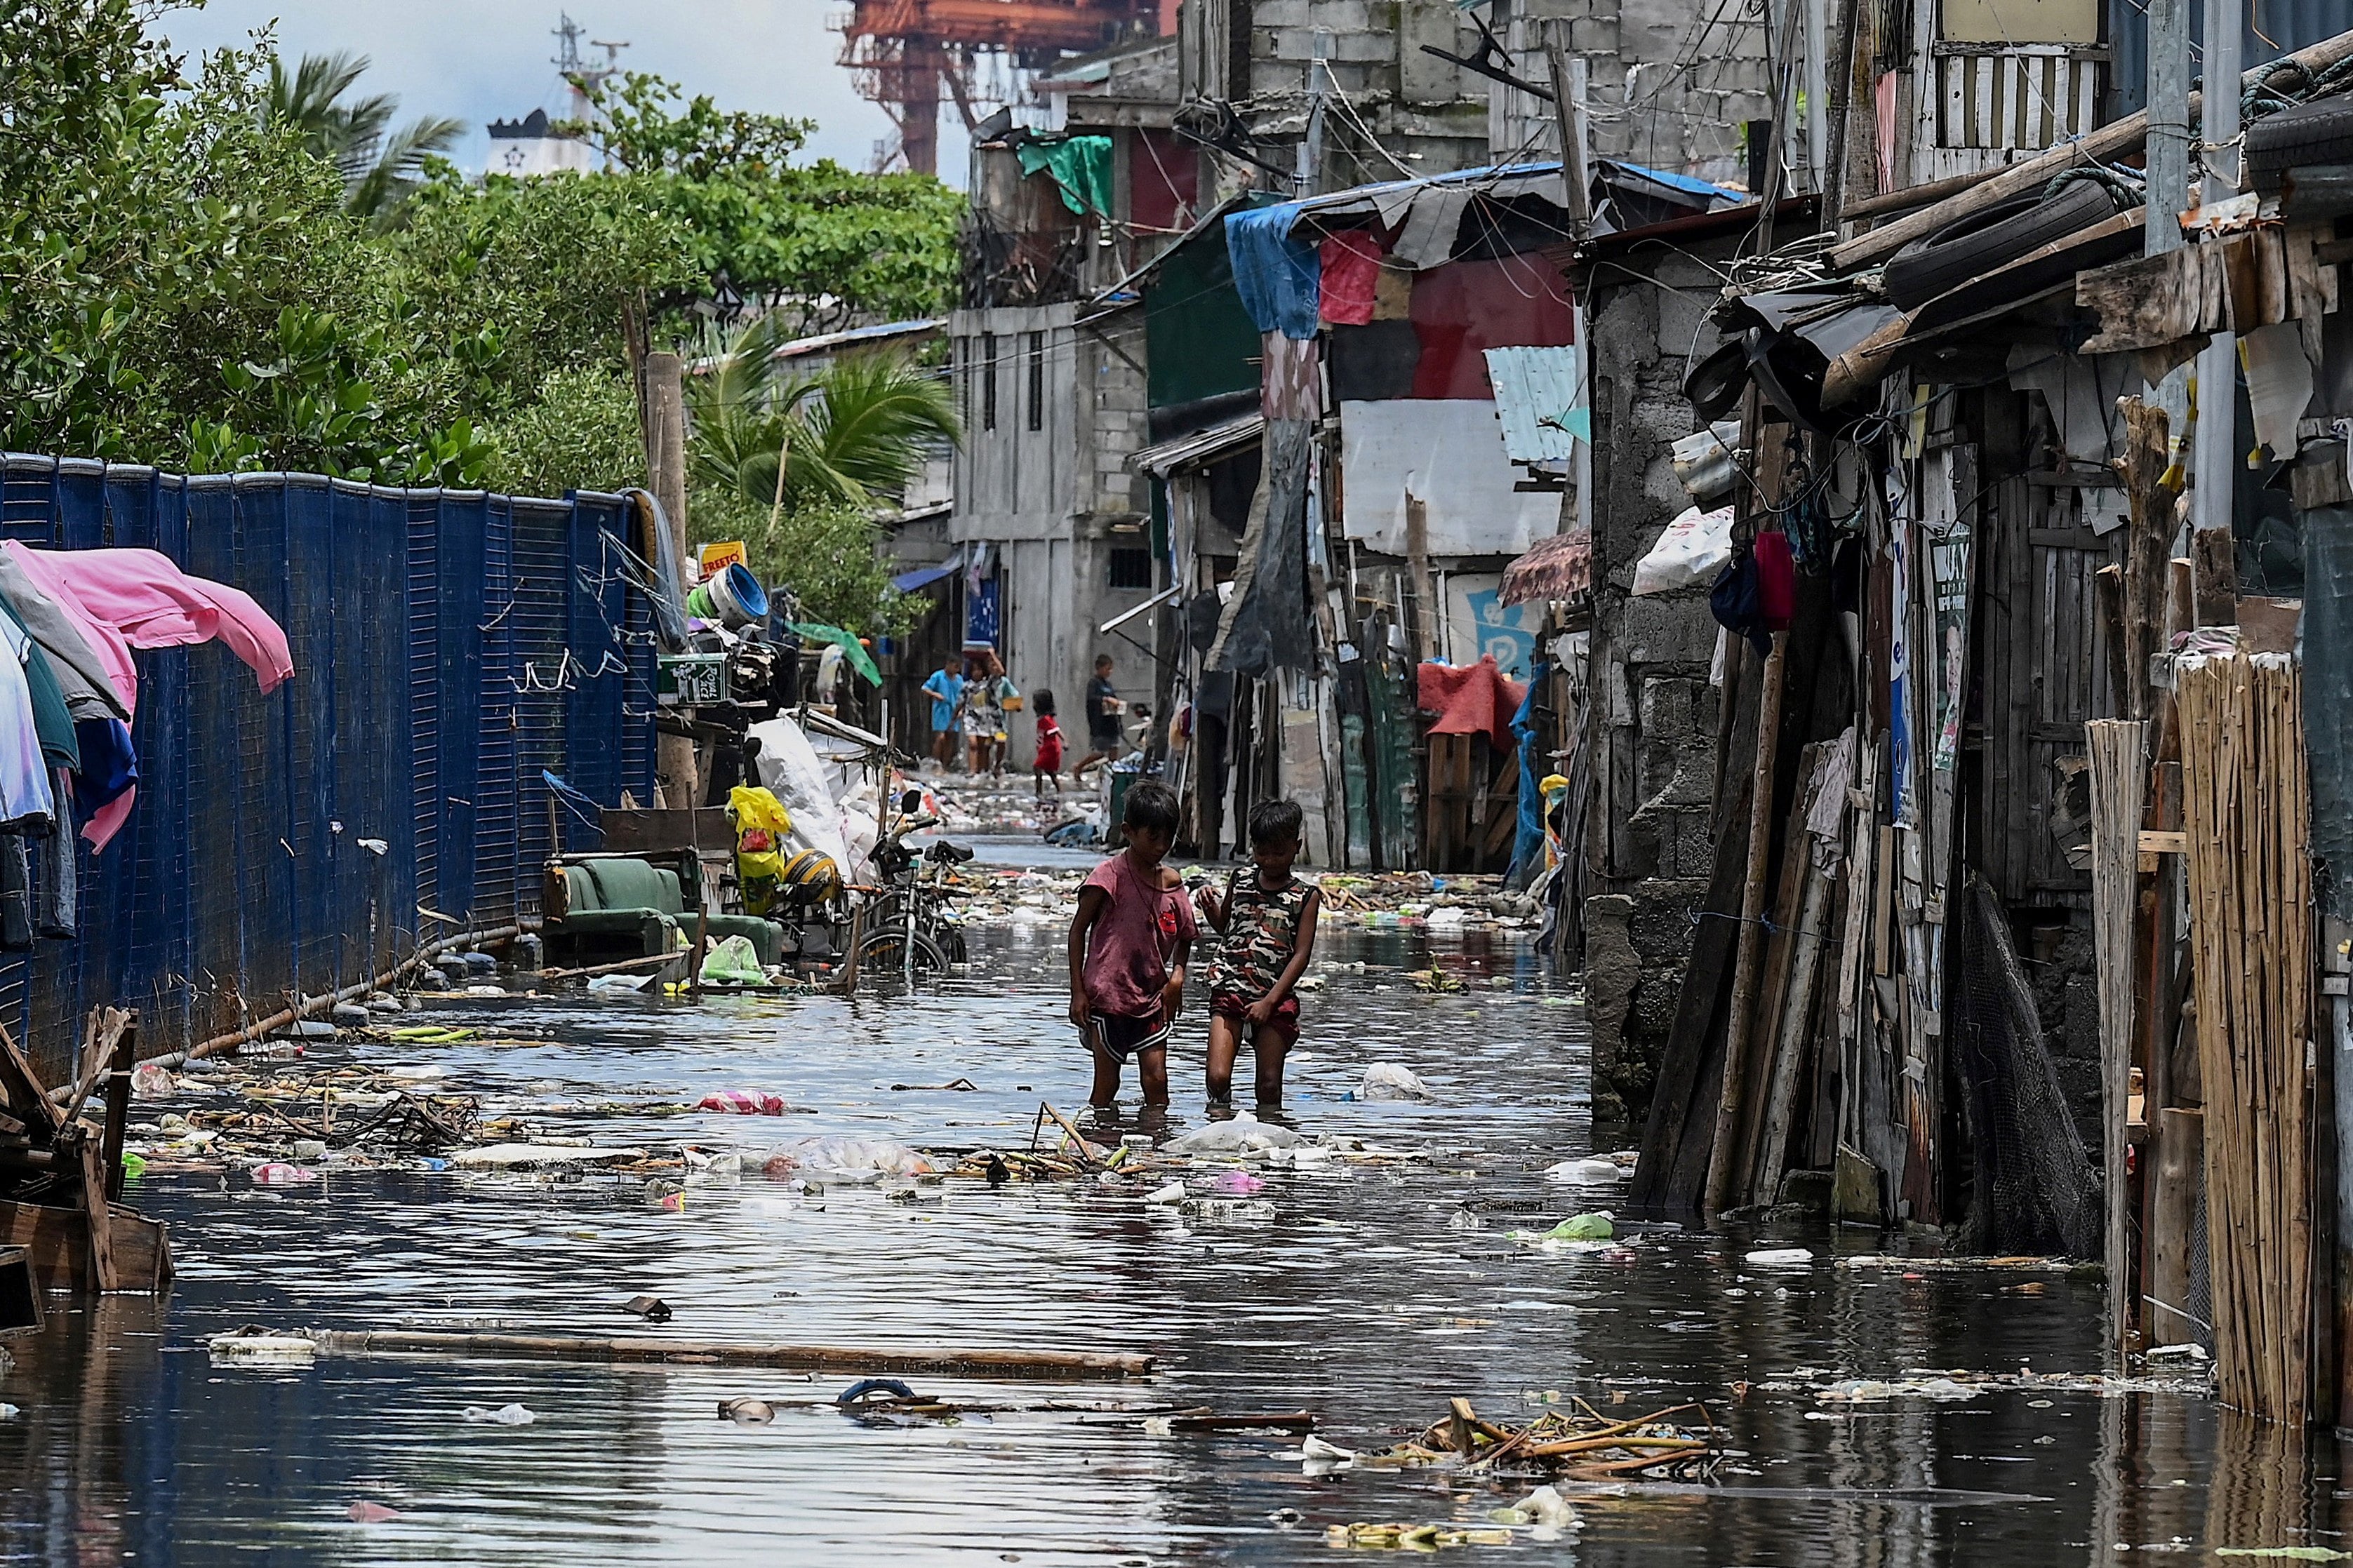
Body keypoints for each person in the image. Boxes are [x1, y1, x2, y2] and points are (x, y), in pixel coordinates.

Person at [1068, 781, 1194, 1111]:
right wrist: (1077, 991)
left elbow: (1185, 935)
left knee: (1157, 1082)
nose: (1161, 846)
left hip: (1152, 996)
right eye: (1153, 837)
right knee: (1107, 1085)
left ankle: (1155, 1149)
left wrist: (1177, 978)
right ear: (1129, 831)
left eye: (1168, 837)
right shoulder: (1108, 877)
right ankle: (1098, 1146)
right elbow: (1077, 931)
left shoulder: (1172, 884)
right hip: (1108, 996)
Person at [1195, 799, 1321, 1110]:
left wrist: (1269, 1002)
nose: (1269, 860)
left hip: (1273, 997)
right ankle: (1220, 1125)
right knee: (1218, 1077)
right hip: (1230, 988)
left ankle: (1269, 1142)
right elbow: (1227, 926)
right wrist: (1210, 909)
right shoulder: (1240, 880)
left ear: (1297, 846)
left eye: (1279, 852)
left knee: (1268, 1086)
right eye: (1262, 852)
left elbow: (1301, 955)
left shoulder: (1306, 896)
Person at [1074, 654, 1121, 779]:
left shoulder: (1108, 684)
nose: (1110, 671)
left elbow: (1114, 699)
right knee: (1100, 752)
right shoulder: (1094, 683)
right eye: (1107, 668)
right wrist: (1106, 699)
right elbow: (1092, 698)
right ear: (1099, 668)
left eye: (1111, 668)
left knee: (1114, 750)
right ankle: (1079, 766)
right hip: (1100, 723)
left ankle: (1112, 777)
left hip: (1112, 722)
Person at [959, 651, 1005, 777]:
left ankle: (983, 771)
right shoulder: (967, 686)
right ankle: (972, 771)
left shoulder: (988, 684)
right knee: (973, 744)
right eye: (974, 670)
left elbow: (1000, 672)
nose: (977, 673)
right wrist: (955, 716)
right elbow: (961, 702)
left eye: (979, 670)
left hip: (986, 719)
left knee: (983, 746)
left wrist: (993, 655)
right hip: (971, 718)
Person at [921, 658, 963, 771]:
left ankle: (945, 766)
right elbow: (925, 688)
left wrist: (962, 710)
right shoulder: (938, 676)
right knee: (941, 737)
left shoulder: (959, 679)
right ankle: (936, 762)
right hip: (941, 710)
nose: (957, 669)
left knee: (950, 738)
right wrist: (935, 694)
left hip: (954, 711)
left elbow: (963, 695)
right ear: (948, 664)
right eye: (955, 666)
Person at [1031, 688, 1065, 800]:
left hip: (1050, 749)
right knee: (1050, 772)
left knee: (1037, 767)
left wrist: (1065, 741)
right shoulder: (1043, 719)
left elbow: (1056, 730)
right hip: (1045, 748)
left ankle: (1039, 791)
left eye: (1035, 702)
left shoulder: (1046, 719)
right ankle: (1060, 790)